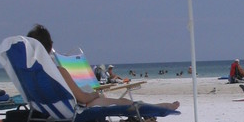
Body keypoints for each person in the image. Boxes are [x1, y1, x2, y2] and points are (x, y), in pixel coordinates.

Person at [26, 25, 179, 111]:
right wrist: (95, 94)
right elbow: (82, 98)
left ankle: (160, 106)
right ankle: (162, 107)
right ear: (50, 45)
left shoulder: (29, 74)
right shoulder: (59, 72)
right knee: (125, 103)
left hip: (47, 111)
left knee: (122, 102)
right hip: (76, 110)